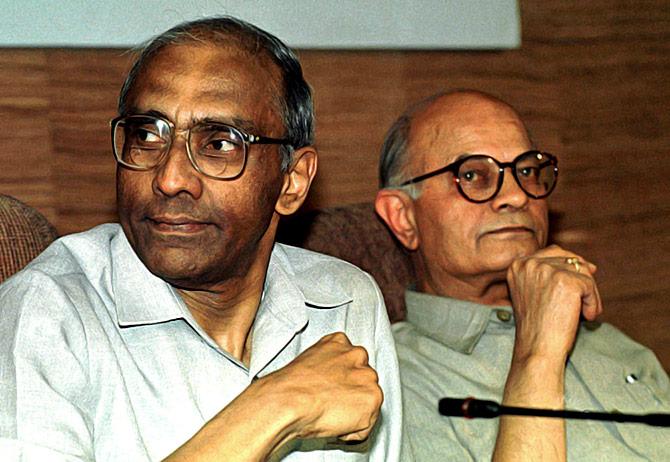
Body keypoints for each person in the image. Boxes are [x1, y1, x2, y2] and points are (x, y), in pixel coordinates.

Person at [0, 16, 402, 461]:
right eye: (147, 136)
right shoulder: (47, 313)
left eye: (219, 144)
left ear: (291, 181)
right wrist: (275, 407)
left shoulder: (344, 302)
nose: (170, 178)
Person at [374, 89, 670, 461]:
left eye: (527, 170)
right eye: (474, 175)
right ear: (403, 217)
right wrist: (538, 355)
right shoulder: (387, 382)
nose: (516, 197)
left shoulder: (611, 343)